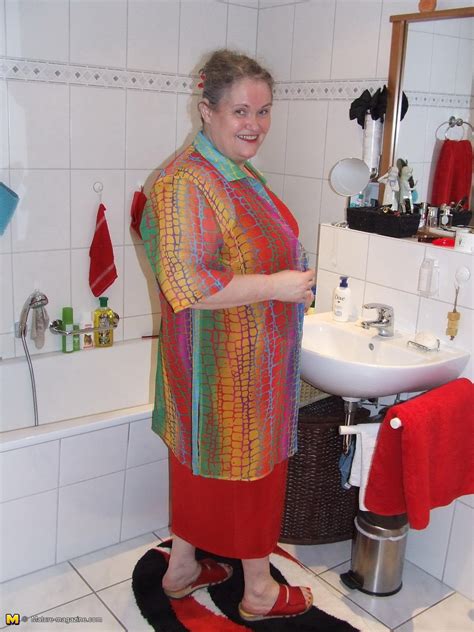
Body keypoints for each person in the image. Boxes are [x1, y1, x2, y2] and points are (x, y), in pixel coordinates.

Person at [140, 49, 315, 622]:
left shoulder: (233, 171)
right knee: (249, 476)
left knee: (199, 465)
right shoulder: (186, 181)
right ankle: (259, 591)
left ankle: (184, 567)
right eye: (241, 110)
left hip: (230, 361)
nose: (255, 125)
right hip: (228, 366)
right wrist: (279, 286)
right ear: (206, 109)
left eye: (264, 112)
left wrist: (287, 284)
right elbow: (189, 282)